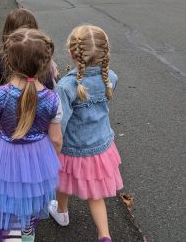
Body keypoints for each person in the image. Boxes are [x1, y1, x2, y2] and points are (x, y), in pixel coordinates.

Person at [0, 28, 63, 242]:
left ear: (9, 63)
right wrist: (51, 158)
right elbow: (57, 139)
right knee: (30, 199)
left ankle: (10, 234)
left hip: (4, 153)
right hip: (37, 156)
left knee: (7, 196)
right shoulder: (52, 99)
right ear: (45, 64)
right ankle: (27, 232)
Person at [48, 25, 123, 242]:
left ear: (72, 53)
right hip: (100, 144)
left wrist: (52, 149)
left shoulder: (66, 86)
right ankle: (104, 235)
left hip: (73, 147)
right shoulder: (111, 77)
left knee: (62, 180)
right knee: (95, 194)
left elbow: (59, 124)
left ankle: (62, 212)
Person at [0, 8, 59, 119]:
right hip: (36, 110)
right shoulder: (43, 55)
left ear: (8, 32)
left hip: (8, 111)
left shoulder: (0, 57)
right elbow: (49, 85)